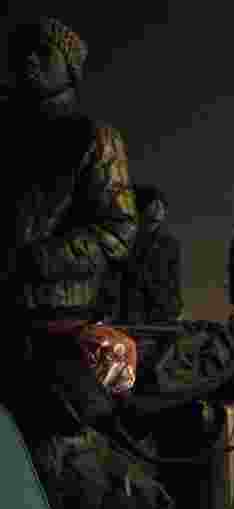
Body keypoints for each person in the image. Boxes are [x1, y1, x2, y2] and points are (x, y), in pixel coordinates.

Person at [2, 16, 138, 441]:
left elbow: (118, 231)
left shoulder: (92, 137)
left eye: (43, 52)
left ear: (70, 68)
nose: (29, 61)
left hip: (57, 330)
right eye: (21, 51)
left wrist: (37, 258)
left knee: (54, 458)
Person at [100, 184, 183, 323]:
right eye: (153, 202)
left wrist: (177, 309)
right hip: (130, 313)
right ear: (141, 206)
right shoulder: (124, 240)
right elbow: (112, 278)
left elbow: (174, 281)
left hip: (162, 313)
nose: (158, 208)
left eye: (162, 204)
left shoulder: (170, 244)